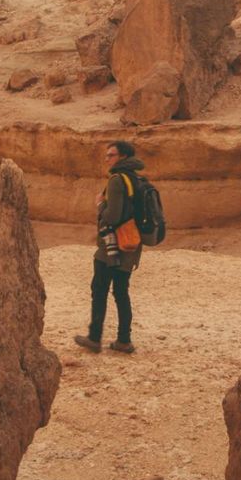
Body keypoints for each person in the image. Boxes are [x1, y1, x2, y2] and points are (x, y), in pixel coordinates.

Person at [74, 139, 145, 355]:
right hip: (131, 244)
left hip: (112, 246)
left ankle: (94, 338)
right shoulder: (137, 179)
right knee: (121, 292)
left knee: (99, 290)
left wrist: (99, 205)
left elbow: (112, 216)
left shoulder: (116, 180)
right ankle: (124, 340)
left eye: (111, 155)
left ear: (122, 156)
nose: (107, 159)